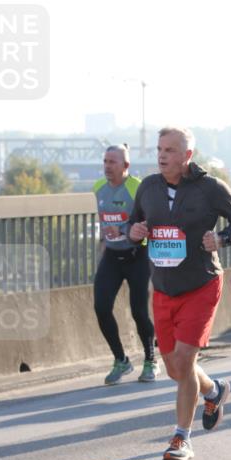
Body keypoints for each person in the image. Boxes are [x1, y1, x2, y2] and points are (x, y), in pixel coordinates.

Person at [128, 127, 231, 460]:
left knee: (186, 359)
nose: (162, 155)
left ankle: (181, 438)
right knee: (176, 369)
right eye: (160, 149)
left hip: (201, 284)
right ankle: (213, 390)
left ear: (187, 156)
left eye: (171, 150)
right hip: (163, 287)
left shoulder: (209, 188)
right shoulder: (148, 187)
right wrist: (134, 233)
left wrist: (221, 239)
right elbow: (135, 225)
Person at [92, 144, 158, 385]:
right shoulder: (98, 188)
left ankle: (151, 360)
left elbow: (151, 218)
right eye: (105, 161)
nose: (107, 166)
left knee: (139, 311)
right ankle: (121, 360)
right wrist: (104, 245)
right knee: (101, 307)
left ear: (126, 166)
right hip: (111, 255)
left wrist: (126, 230)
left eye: (113, 162)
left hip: (137, 255)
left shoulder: (137, 188)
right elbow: (103, 221)